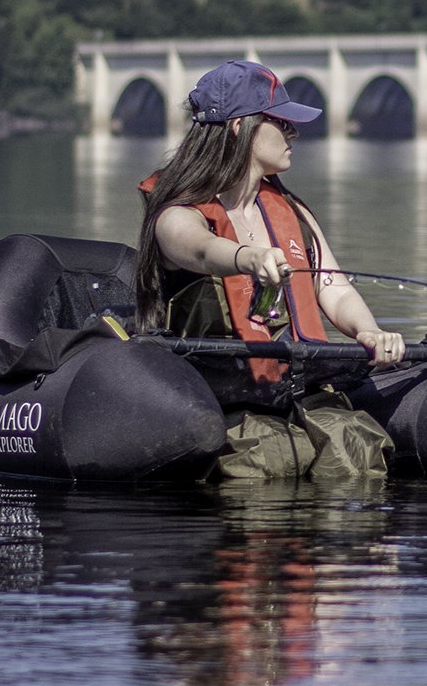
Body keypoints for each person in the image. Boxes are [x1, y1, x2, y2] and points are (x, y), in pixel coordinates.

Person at [136, 59, 403, 478]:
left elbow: (334, 287)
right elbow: (202, 251)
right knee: (267, 457)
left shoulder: (291, 210)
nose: (293, 133)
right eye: (281, 121)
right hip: (221, 396)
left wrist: (367, 331)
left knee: (355, 446)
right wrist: (248, 257)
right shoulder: (178, 214)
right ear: (240, 126)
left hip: (296, 388)